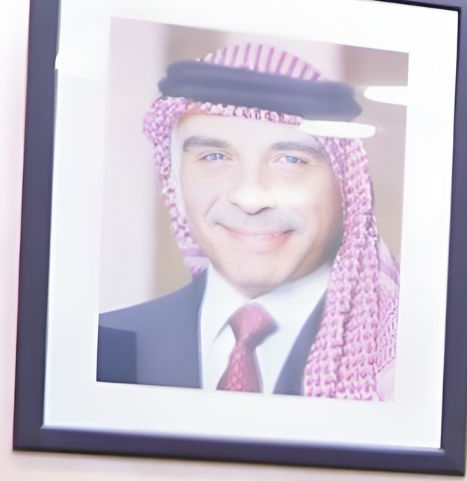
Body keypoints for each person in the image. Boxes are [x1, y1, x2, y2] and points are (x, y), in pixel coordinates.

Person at [96, 41, 400, 398]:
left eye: (291, 160)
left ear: (346, 187)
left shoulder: (402, 360)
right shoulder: (106, 346)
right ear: (174, 180)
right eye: (214, 157)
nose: (250, 198)